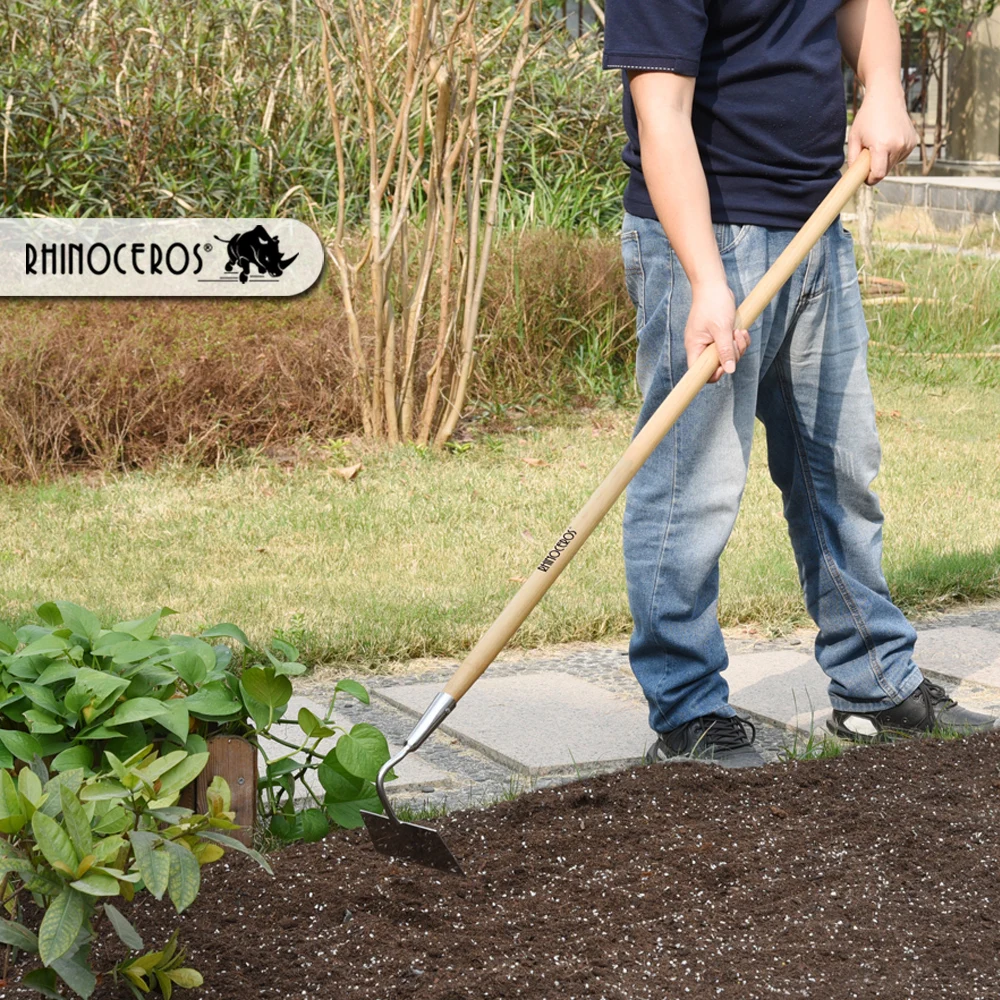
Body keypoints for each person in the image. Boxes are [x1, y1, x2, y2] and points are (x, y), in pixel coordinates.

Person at [602, 0, 995, 767]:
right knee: (694, 489)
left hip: (819, 218)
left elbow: (863, 5)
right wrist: (706, 281)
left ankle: (876, 686)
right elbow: (662, 117)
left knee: (839, 474)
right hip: (708, 238)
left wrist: (883, 85)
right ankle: (688, 712)